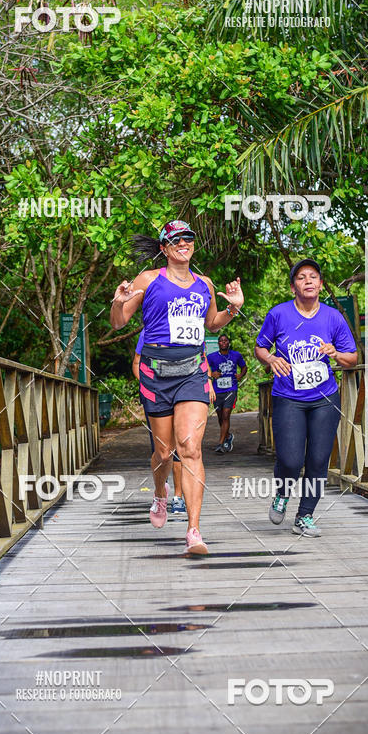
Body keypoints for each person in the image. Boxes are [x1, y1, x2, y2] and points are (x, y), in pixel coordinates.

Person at [111, 219, 244, 554]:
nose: (184, 243)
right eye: (176, 239)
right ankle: (160, 494)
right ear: (164, 248)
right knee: (164, 452)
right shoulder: (149, 279)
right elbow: (118, 322)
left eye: (188, 238)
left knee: (191, 448)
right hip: (156, 374)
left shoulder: (204, 284)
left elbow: (212, 324)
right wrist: (118, 301)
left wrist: (233, 308)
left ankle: (194, 532)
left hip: (192, 373)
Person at [255, 259, 357, 537]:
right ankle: (282, 493)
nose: (308, 281)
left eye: (313, 277)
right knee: (290, 459)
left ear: (321, 285)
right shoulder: (279, 314)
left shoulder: (333, 317)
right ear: (293, 287)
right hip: (288, 396)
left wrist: (335, 353)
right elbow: (260, 347)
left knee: (319, 458)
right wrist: (272, 358)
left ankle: (305, 515)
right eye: (301, 277)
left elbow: (352, 358)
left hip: (325, 398)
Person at [132, 328, 186, 515]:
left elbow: (200, 357)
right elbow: (137, 363)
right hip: (155, 395)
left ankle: (178, 497)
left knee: (180, 448)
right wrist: (148, 385)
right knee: (162, 452)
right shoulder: (148, 331)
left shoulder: (187, 322)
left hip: (182, 393)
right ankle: (161, 490)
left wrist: (208, 380)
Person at [207, 333, 247, 452]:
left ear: (228, 343)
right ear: (218, 343)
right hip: (217, 390)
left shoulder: (236, 355)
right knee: (220, 417)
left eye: (226, 341)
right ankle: (228, 436)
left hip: (231, 389)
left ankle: (221, 443)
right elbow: (204, 369)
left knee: (226, 415)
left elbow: (244, 367)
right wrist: (212, 374)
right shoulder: (211, 357)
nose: (224, 342)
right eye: (221, 341)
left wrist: (240, 375)